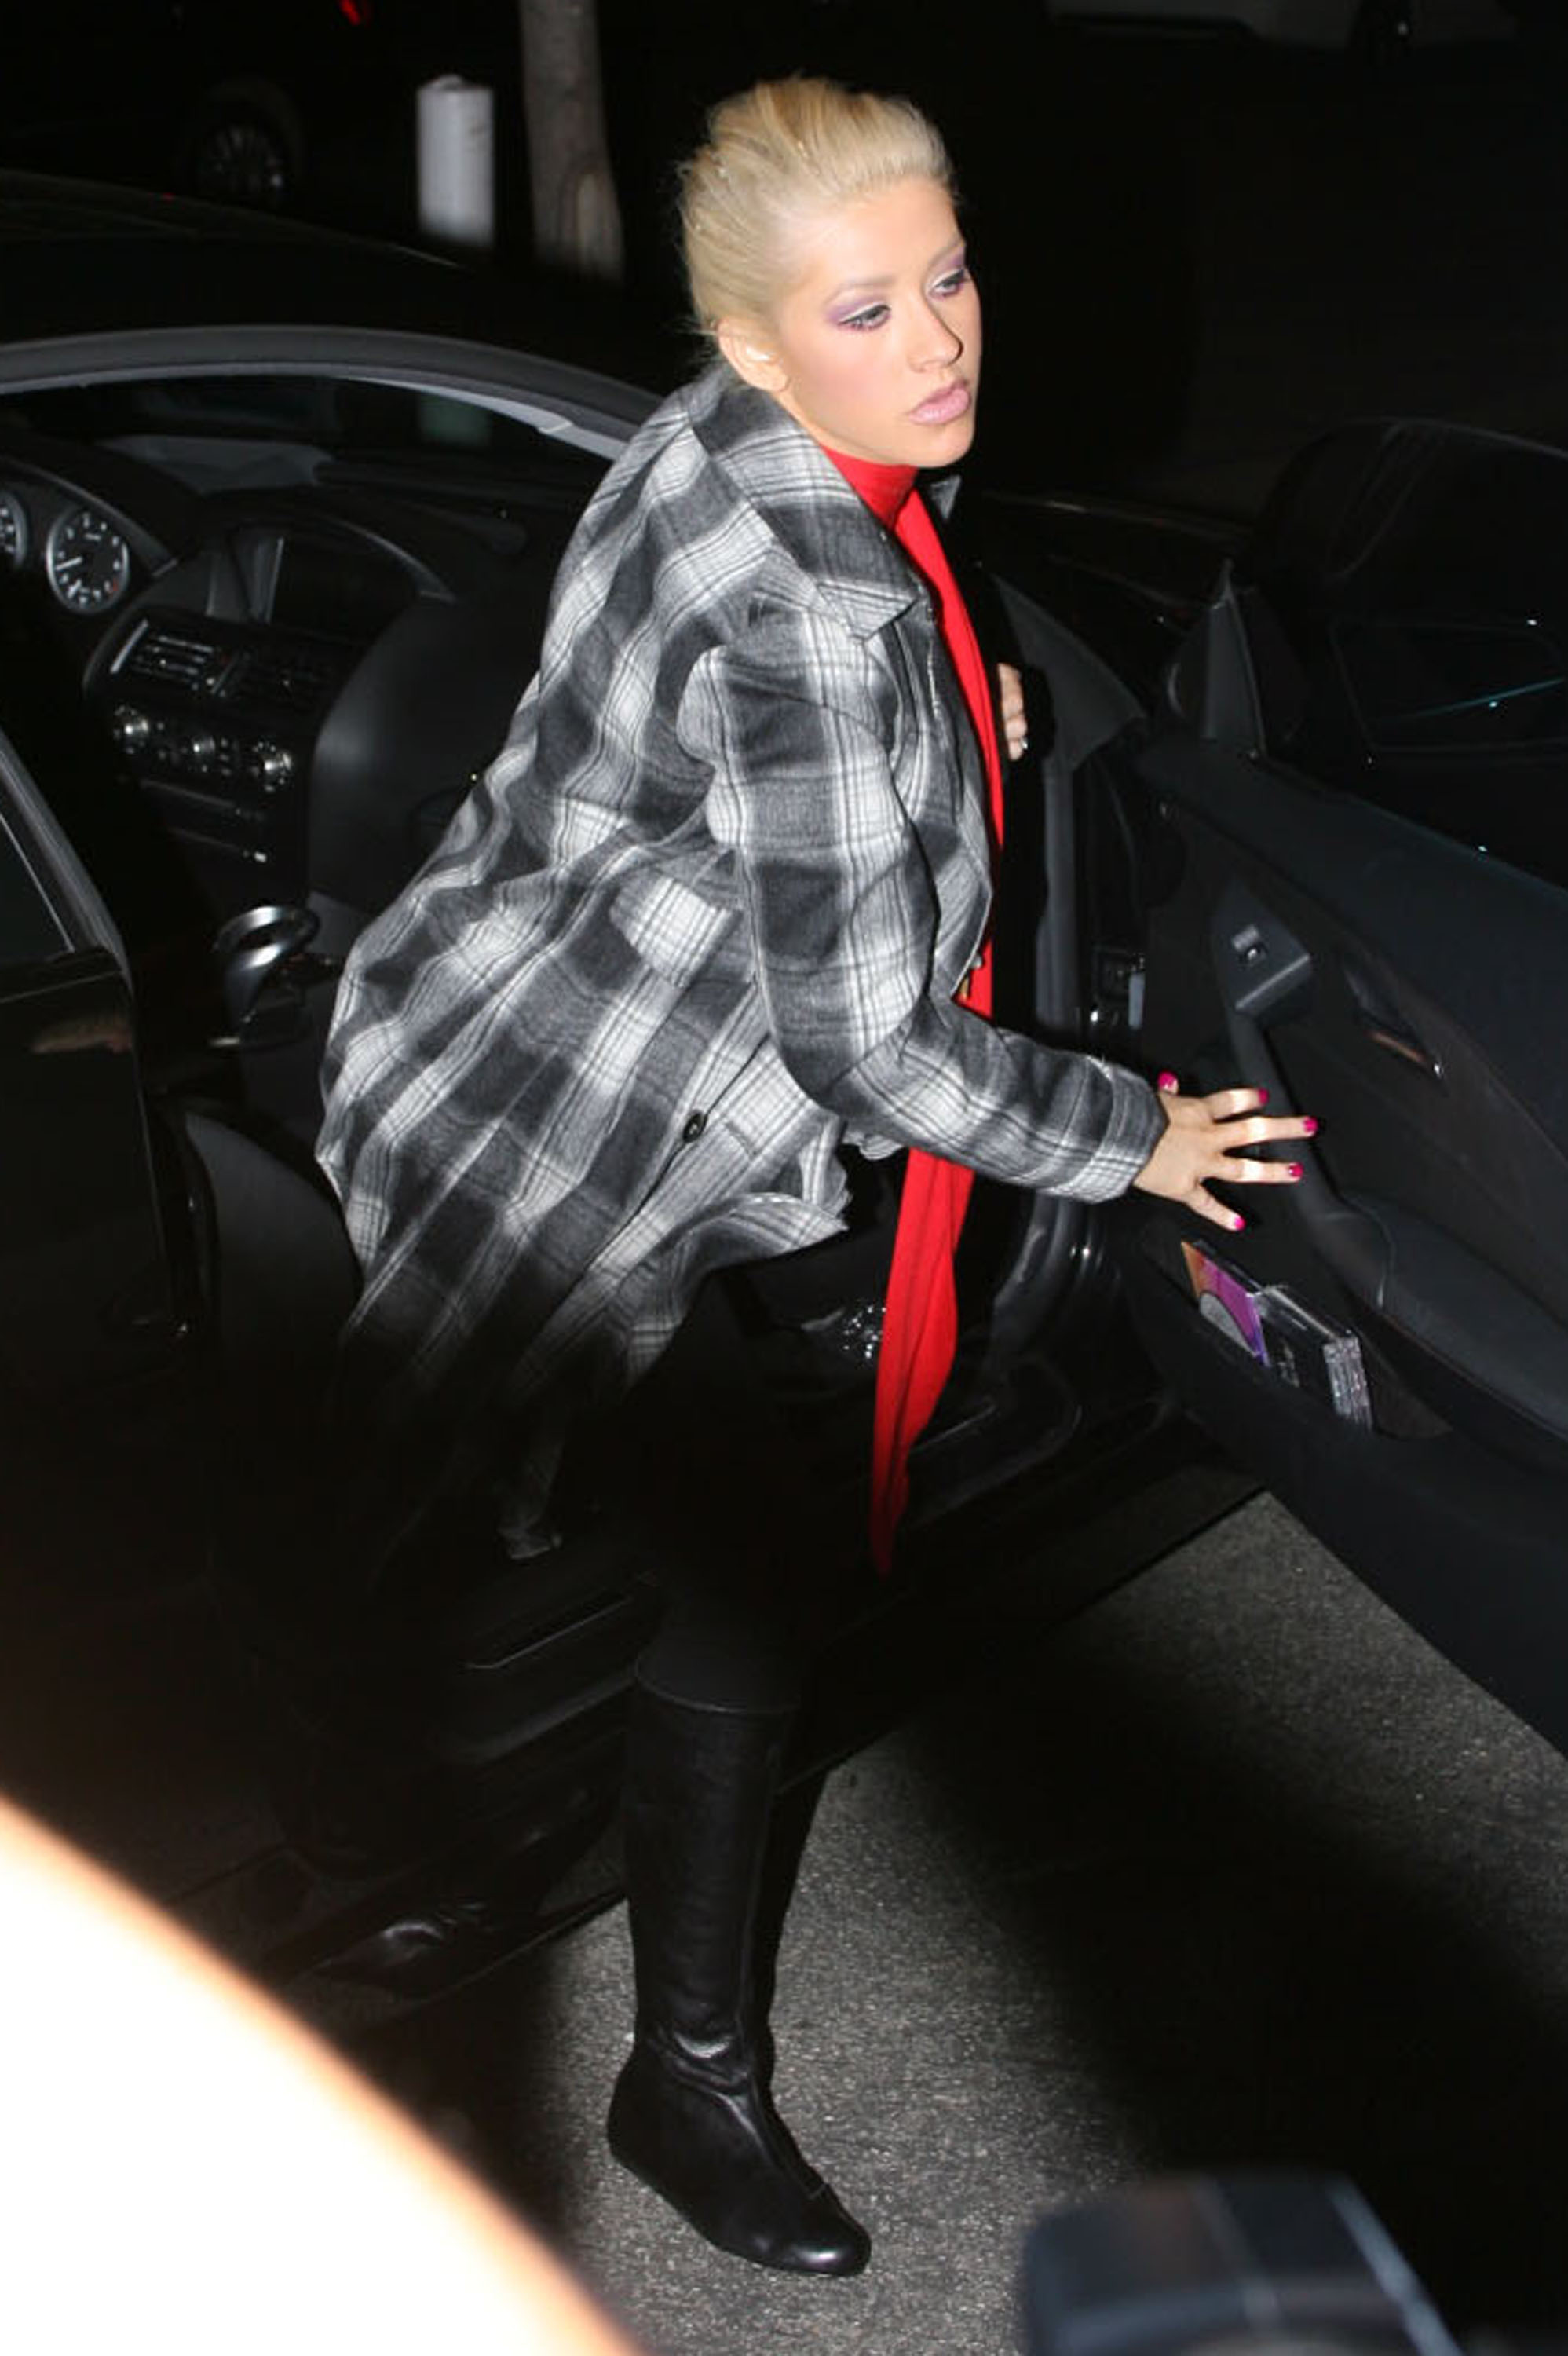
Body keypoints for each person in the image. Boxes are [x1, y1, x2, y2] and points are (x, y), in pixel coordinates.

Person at [315, 77, 1315, 2279]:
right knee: (647, 1572)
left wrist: (955, 728)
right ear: (759, 343)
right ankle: (632, 2057)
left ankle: (405, 1865)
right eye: (870, 310)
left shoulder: (710, 451)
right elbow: (874, 1048)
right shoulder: (835, 625)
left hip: (469, 1004)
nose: (940, 342)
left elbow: (730, 711)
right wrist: (1137, 1137)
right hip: (583, 1135)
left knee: (445, 1506)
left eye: (948, 278)